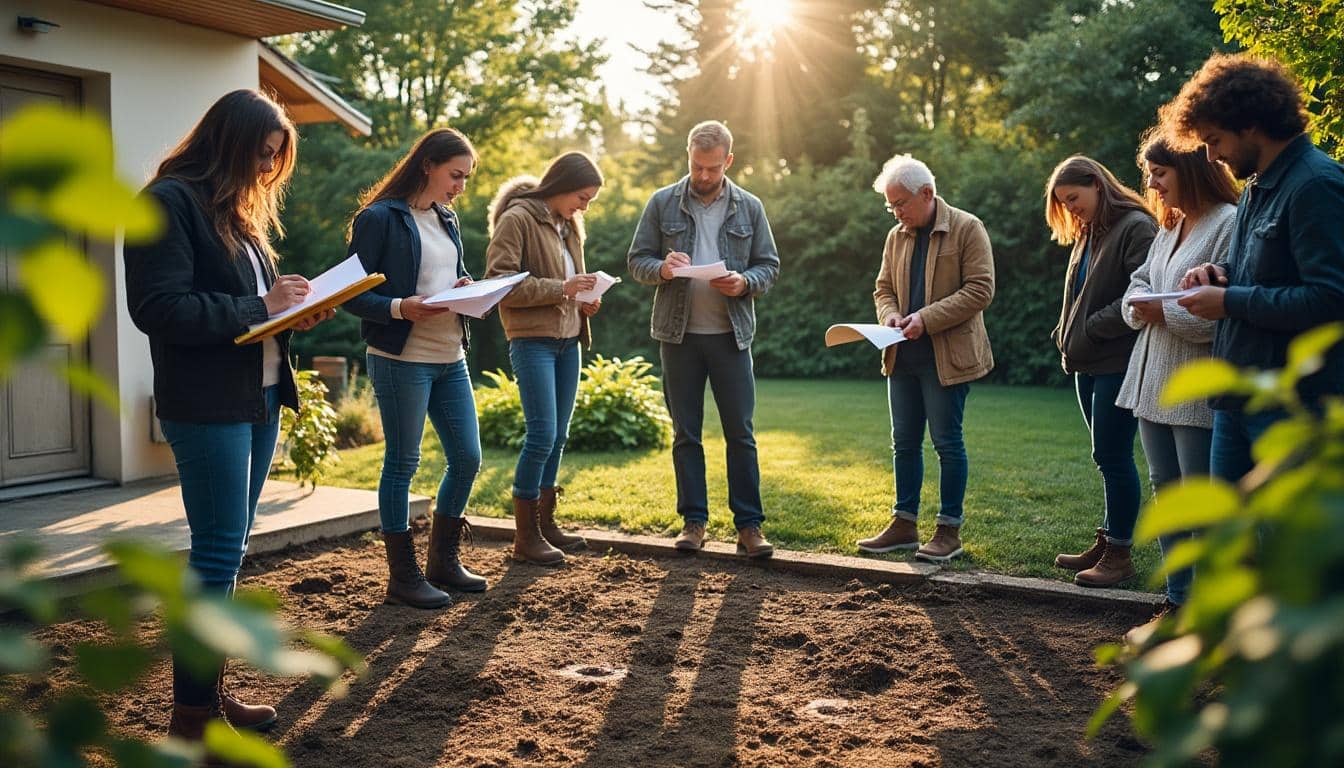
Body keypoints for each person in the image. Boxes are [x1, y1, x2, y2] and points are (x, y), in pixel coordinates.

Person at [124, 90, 334, 745]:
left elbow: (252, 306)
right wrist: (261, 305)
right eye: (261, 154)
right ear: (227, 143)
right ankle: (191, 720)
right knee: (214, 558)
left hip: (258, 397)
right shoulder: (165, 204)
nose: (266, 169)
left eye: (275, 158)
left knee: (228, 554)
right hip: (207, 405)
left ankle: (206, 694)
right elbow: (159, 309)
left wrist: (294, 308)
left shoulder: (237, 216)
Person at [1165, 53, 1344, 484]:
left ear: (1250, 125)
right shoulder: (1256, 186)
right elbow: (1264, 269)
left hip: (1293, 407)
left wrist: (1228, 300)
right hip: (1238, 399)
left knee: (1284, 547)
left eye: (1214, 140)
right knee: (1234, 542)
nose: (1210, 156)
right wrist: (1218, 272)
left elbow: (1331, 298)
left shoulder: (1316, 184)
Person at [344, 128, 488, 609]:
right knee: (403, 464)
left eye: (466, 178)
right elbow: (350, 294)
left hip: (451, 357)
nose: (460, 187)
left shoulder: (447, 220)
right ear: (427, 164)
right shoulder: (380, 218)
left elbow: (442, 279)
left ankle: (443, 562)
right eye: (455, 175)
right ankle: (402, 576)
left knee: (467, 458)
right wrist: (401, 307)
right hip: (402, 359)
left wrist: (464, 288)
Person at [627, 120, 781, 559]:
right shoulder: (662, 203)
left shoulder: (750, 207)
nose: (704, 175)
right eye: (697, 166)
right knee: (685, 434)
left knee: (741, 433)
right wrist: (662, 268)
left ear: (728, 161)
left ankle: (749, 527)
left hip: (731, 337)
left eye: (713, 168)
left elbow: (769, 266)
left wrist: (744, 282)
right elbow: (637, 260)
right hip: (679, 338)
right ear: (688, 156)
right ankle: (693, 523)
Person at [1118, 131, 1238, 615]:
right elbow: (1139, 284)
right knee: (1166, 495)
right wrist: (1138, 307)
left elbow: (1224, 310)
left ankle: (1212, 610)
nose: (1152, 184)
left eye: (1160, 173)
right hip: (1151, 384)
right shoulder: (1170, 228)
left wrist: (1165, 314)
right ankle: (1177, 601)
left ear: (1189, 171)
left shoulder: (1228, 224)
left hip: (1194, 387)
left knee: (1199, 500)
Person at [855, 154, 996, 562]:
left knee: (947, 443)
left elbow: (980, 290)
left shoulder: (968, 228)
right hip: (902, 356)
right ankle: (904, 524)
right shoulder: (895, 236)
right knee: (903, 444)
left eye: (900, 203)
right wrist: (892, 316)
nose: (896, 212)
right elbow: (882, 289)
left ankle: (948, 531)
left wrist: (925, 319)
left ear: (927, 194)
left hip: (947, 357)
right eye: (891, 205)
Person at [485, 152, 605, 566]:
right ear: (561, 184)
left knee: (558, 435)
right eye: (582, 197)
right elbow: (499, 284)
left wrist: (584, 300)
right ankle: (525, 536)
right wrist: (563, 289)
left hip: (568, 339)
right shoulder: (517, 218)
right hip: (532, 340)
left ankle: (546, 524)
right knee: (541, 434)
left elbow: (569, 286)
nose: (584, 206)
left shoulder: (570, 225)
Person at [1046, 155, 1157, 587]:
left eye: (1075, 197)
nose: (1071, 208)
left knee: (1113, 455)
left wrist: (1091, 328)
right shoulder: (1089, 231)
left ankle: (1120, 555)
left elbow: (1139, 296)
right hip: (1085, 362)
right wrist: (1066, 331)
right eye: (1063, 202)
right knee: (1103, 457)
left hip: (1115, 360)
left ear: (1096, 183)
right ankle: (1109, 538)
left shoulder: (1136, 226)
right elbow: (1079, 294)